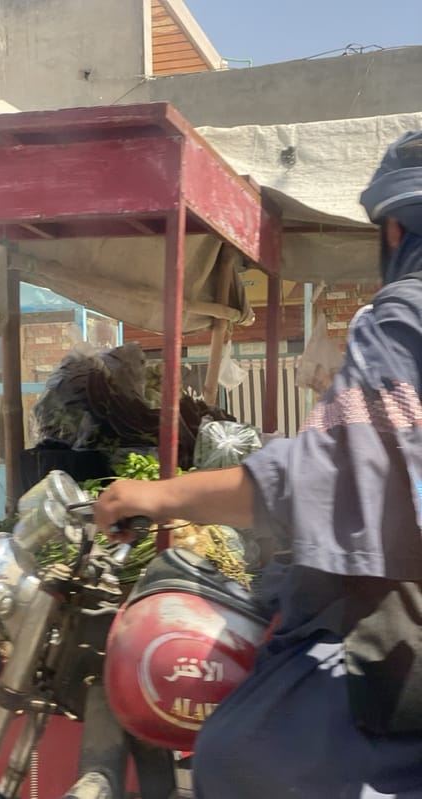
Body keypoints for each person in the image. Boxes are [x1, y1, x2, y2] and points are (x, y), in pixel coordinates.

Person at [94, 130, 422, 799]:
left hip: (397, 659)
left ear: (394, 230)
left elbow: (328, 475)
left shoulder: (405, 313)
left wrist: (161, 497)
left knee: (241, 752)